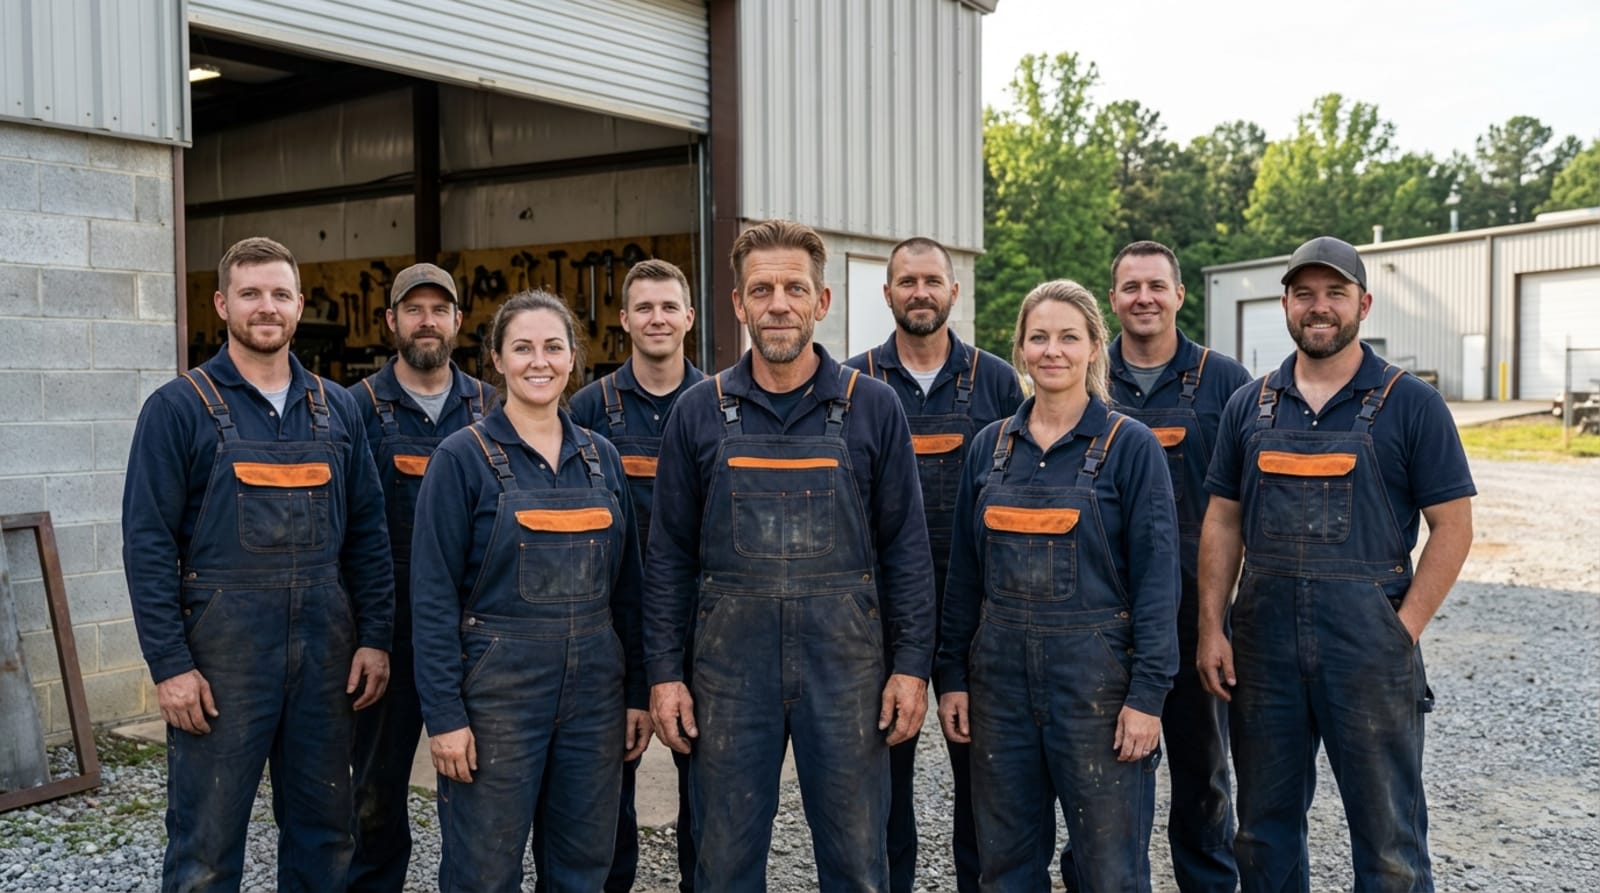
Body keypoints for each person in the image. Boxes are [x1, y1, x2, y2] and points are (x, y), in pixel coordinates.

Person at [646, 219, 935, 892]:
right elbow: (667, 558)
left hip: (847, 669)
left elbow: (907, 551)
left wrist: (912, 666)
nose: (779, 302)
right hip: (728, 670)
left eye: (794, 288)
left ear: (822, 302)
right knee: (721, 858)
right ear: (739, 304)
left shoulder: (874, 407)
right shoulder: (698, 410)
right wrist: (664, 673)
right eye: (763, 288)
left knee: (859, 859)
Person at [1196, 236, 1475, 892]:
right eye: (1305, 294)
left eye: (1335, 293)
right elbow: (1222, 519)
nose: (1319, 307)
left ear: (1364, 303)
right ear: (1286, 304)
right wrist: (1212, 626)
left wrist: (1401, 630)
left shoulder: (1411, 404)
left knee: (1390, 844)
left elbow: (1453, 527)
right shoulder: (1250, 403)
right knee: (1262, 834)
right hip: (1263, 652)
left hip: (1369, 651)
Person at [122, 236, 394, 891]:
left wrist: (375, 637)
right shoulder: (177, 407)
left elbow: (368, 534)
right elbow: (147, 544)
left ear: (300, 306)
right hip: (223, 662)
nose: (265, 307)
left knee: (327, 833)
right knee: (206, 846)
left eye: (279, 294)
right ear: (222, 304)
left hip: (326, 655)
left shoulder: (340, 408)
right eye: (250, 293)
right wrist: (170, 665)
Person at [937, 279, 1180, 892]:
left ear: (1095, 347)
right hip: (1000, 693)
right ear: (1019, 348)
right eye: (1039, 337)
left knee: (1110, 873)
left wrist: (1148, 698)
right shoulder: (990, 448)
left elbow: (1158, 583)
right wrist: (952, 678)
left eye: (1069, 337)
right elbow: (965, 577)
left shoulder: (1131, 447)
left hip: (1095, 695)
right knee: (1006, 869)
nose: (1053, 351)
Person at [409, 290, 651, 893]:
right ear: (496, 358)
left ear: (573, 358)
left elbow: (630, 593)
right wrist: (444, 716)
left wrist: (638, 693)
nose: (537, 361)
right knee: (483, 872)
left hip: (595, 695)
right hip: (498, 698)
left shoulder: (603, 460)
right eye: (522, 347)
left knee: (582, 869)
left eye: (552, 346)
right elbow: (432, 598)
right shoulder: (460, 460)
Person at [844, 236, 1023, 893]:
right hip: (875, 623)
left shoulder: (999, 382)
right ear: (887, 293)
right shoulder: (851, 384)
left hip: (976, 616)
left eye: (932, 280)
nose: (920, 291)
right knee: (880, 796)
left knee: (987, 794)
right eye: (907, 280)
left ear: (955, 291)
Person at [546, 258, 706, 893]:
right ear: (623, 320)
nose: (657, 318)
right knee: (605, 798)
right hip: (610, 628)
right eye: (644, 307)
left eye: (669, 307)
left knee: (711, 800)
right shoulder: (587, 410)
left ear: (689, 317)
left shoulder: (721, 405)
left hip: (702, 631)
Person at [1102, 240, 1250, 893]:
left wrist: (1222, 619)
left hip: (1197, 612)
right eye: (1131, 286)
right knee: (1104, 779)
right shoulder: (1082, 372)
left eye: (1156, 286)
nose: (1144, 298)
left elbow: (1251, 504)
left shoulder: (1227, 382)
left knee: (1203, 776)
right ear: (1113, 298)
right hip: (1101, 614)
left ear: (1180, 295)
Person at [346, 262, 492, 893]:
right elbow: (350, 536)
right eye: (414, 309)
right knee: (373, 792)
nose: (427, 321)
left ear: (459, 321)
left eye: (439, 309)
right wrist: (369, 635)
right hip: (391, 637)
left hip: (480, 638)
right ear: (391, 322)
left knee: (476, 787)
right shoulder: (355, 408)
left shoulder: (495, 404)